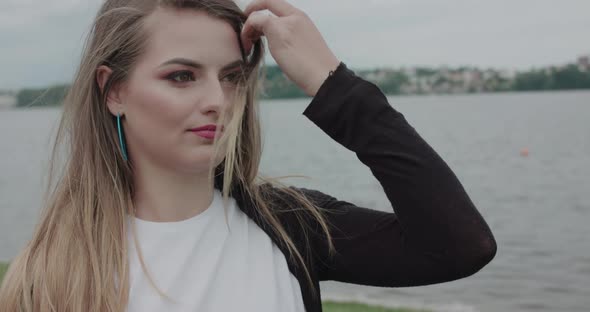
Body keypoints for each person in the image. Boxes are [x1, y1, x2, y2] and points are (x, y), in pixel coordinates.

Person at [0, 0, 497, 311]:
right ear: (114, 91)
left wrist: (332, 83)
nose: (218, 99)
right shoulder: (51, 276)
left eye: (232, 76)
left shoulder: (289, 226)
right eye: (181, 75)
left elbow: (459, 246)